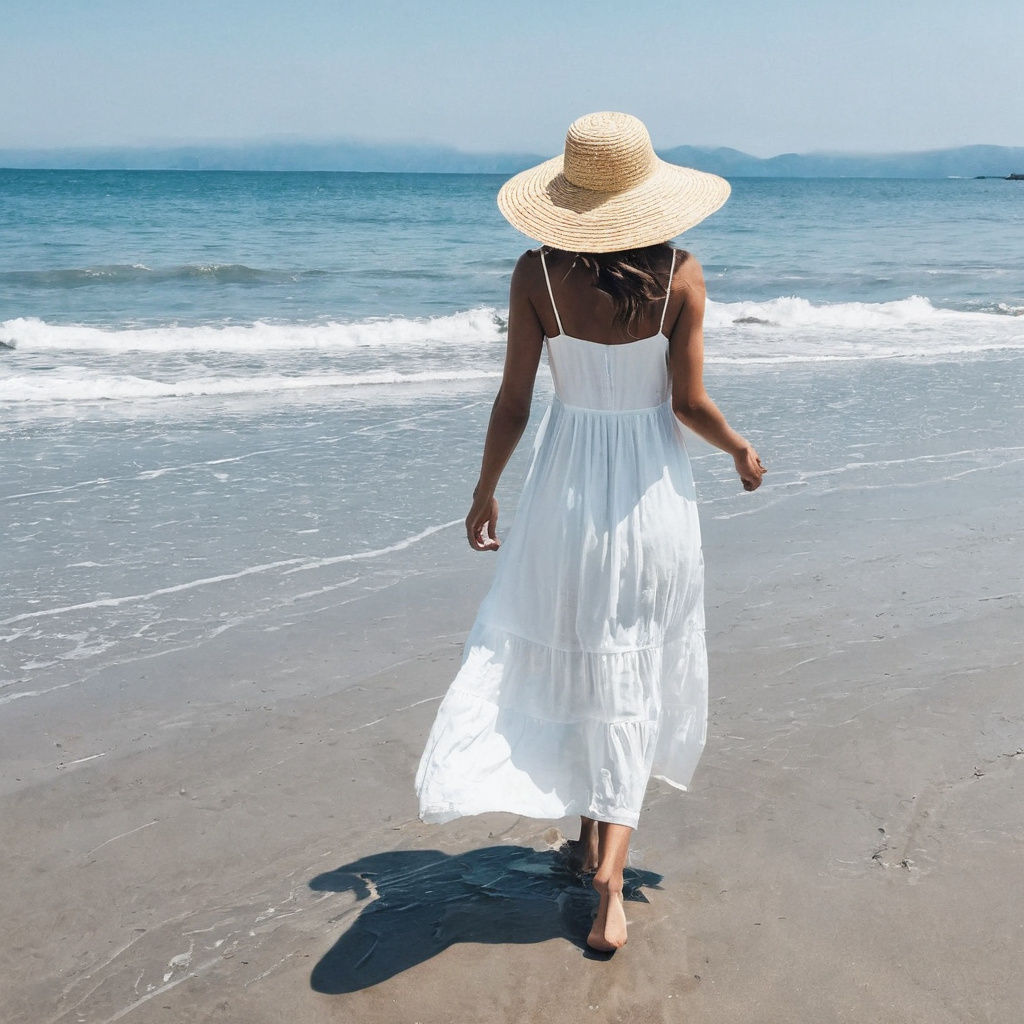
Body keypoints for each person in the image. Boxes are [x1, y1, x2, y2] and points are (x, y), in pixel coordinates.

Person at [415, 111, 765, 953]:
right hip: (648, 498)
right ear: (649, 195)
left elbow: (514, 403)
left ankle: (584, 839)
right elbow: (687, 406)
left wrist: (484, 490)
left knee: (583, 650)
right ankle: (608, 872)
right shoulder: (681, 276)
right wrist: (742, 449)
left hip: (563, 496)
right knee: (633, 663)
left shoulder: (535, 273)